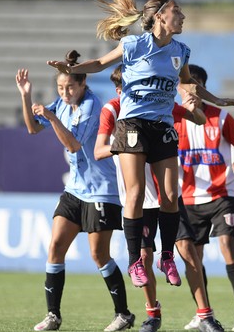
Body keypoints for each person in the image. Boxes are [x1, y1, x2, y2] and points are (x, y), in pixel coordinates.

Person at [48, 0, 234, 291]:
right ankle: (135, 261)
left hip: (162, 126)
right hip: (133, 125)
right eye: (176, 9)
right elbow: (100, 64)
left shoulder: (180, 51)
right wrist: (70, 69)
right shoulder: (134, 45)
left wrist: (217, 99)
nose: (182, 14)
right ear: (161, 15)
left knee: (169, 196)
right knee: (136, 194)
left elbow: (188, 84)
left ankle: (166, 256)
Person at [95, 65, 224, 332]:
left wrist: (191, 107)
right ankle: (153, 314)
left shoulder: (157, 105)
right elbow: (98, 151)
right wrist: (131, 147)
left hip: (166, 198)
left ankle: (205, 314)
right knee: (143, 256)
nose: (125, 92)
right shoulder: (112, 110)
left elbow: (199, 118)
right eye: (121, 89)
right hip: (138, 200)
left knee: (187, 250)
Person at [16, 50, 134, 332]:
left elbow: (73, 145)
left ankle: (124, 314)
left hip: (101, 191)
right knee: (56, 245)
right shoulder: (62, 103)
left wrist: (51, 117)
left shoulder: (93, 106)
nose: (65, 92)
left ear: (83, 85)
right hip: (75, 190)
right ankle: (53, 315)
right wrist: (26, 95)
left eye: (70, 87)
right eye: (60, 87)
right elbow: (33, 129)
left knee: (99, 255)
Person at [176, 64, 234, 332]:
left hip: (223, 192)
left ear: (204, 89)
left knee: (227, 246)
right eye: (185, 84)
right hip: (188, 198)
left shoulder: (220, 118)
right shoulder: (173, 120)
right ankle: (203, 312)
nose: (190, 90)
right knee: (192, 257)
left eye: (195, 84)